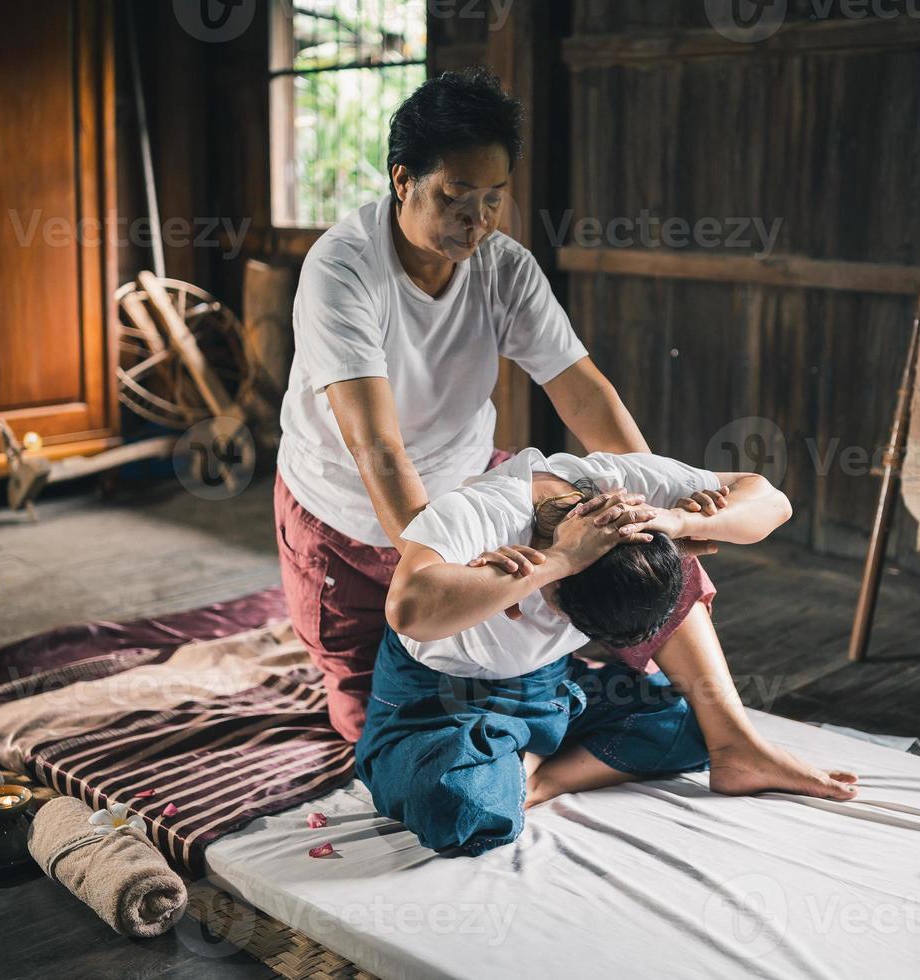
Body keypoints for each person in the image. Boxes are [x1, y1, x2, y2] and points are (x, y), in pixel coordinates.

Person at [274, 66, 841, 798]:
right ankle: (529, 733)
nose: (476, 221)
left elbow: (582, 391)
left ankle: (732, 739)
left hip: (471, 474)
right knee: (371, 719)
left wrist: (647, 518)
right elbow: (375, 445)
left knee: (625, 540)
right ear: (403, 179)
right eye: (455, 197)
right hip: (347, 510)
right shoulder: (343, 270)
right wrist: (448, 565)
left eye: (494, 200)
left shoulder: (502, 267)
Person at [356, 449, 860, 854]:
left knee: (690, 723)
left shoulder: (622, 487)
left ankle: (526, 774)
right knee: (454, 805)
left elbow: (772, 500)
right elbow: (409, 609)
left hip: (551, 686)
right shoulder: (483, 512)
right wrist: (555, 560)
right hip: (441, 703)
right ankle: (527, 776)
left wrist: (678, 523)